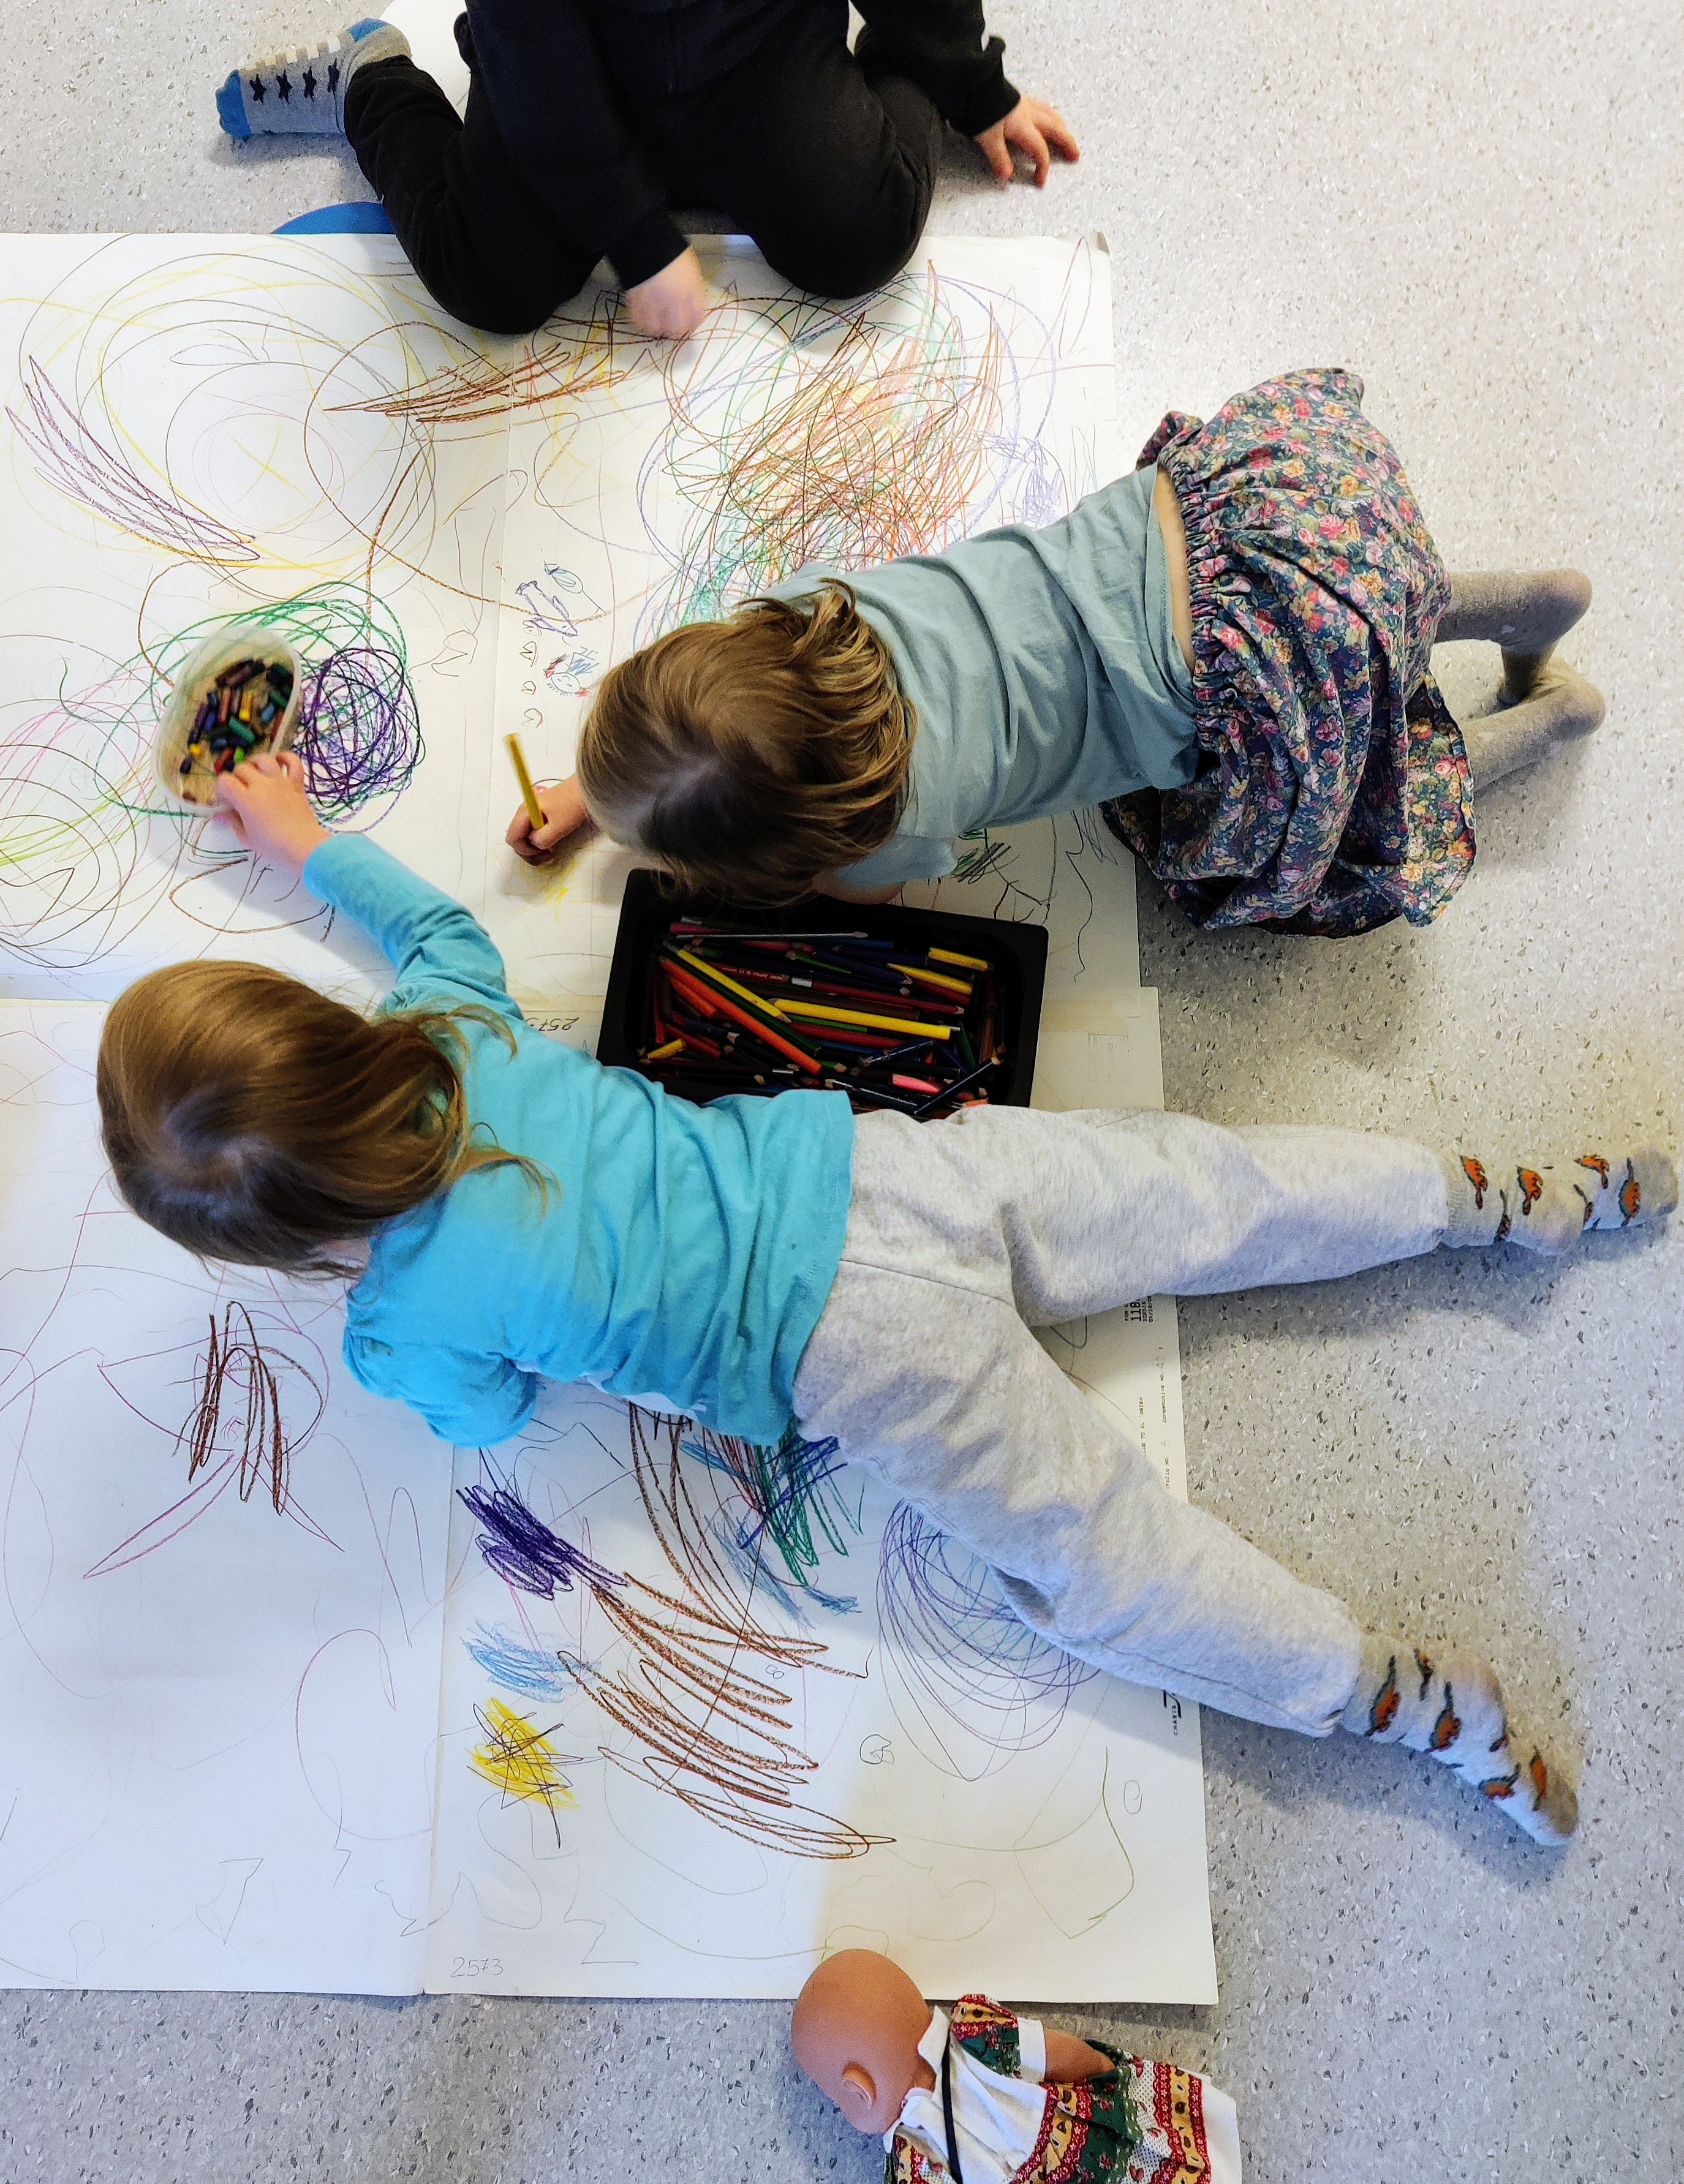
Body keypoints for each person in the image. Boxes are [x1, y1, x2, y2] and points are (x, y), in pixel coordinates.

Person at [97, 752, 1677, 1844]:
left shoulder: (397, 1329)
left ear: (286, 1246)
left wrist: (402, 1318)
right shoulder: (450, 1032)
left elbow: (493, 1409)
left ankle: (1389, 1697)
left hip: (858, 1358)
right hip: (889, 1172)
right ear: (336, 1035)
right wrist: (302, 841)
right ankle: (1500, 1196)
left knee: (1096, 1557)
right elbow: (434, 926)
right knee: (1213, 1186)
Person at [513, 368, 1607, 935]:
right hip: (1262, 511)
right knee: (1360, 603)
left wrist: (735, 868)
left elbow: (856, 890)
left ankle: (1554, 720)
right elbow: (707, 735)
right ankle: (1535, 607)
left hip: (1259, 675)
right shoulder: (810, 610)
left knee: (1349, 805)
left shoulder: (889, 827)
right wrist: (600, 793)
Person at [214, 13, 1076, 339]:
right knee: (489, 280)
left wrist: (970, 84)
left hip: (759, 48)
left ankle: (898, 59)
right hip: (574, 68)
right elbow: (533, 46)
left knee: (863, 234)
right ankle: (371, 83)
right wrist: (631, 235)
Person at [793, 1951, 1240, 2184]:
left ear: (860, 2092)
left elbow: (1053, 2054)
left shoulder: (911, 2161)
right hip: (1081, 2150)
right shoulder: (976, 2035)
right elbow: (1058, 2055)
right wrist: (1100, 2071)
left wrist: (1098, 2070)